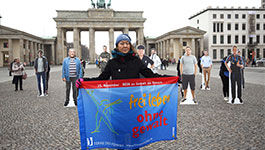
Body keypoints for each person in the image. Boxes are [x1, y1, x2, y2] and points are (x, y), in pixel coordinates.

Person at [76, 34, 170, 150]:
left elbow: (150, 75)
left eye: (127, 43)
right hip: (117, 104)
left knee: (135, 134)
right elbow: (101, 79)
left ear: (130, 45)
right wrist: (84, 81)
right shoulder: (112, 62)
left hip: (134, 103)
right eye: (122, 43)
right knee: (119, 135)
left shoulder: (136, 61)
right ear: (117, 46)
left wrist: (170, 79)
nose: (125, 46)